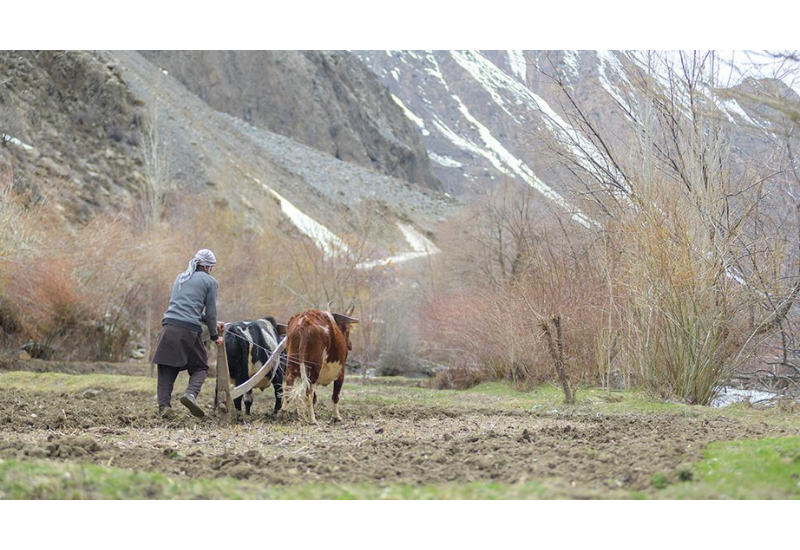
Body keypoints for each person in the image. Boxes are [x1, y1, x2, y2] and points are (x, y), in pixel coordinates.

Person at [151, 248, 224, 418]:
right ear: (208, 267)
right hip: (188, 330)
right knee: (200, 367)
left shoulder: (180, 278)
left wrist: (209, 321)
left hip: (169, 327)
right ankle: (190, 394)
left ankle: (164, 409)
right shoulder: (210, 282)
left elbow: (185, 308)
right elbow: (211, 312)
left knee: (166, 369)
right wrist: (215, 336)